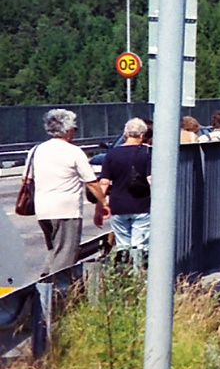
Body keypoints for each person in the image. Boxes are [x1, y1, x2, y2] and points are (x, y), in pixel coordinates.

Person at [31, 108, 105, 278]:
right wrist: (103, 203)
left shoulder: (36, 150)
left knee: (54, 250)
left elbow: (27, 180)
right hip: (66, 210)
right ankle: (58, 293)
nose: (74, 132)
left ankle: (45, 282)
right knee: (65, 254)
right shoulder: (73, 151)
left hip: (42, 209)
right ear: (66, 129)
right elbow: (91, 182)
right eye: (74, 128)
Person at [97, 117, 152, 256]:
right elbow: (151, 180)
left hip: (117, 206)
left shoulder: (111, 154)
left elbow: (104, 182)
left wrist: (100, 206)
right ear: (142, 135)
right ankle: (138, 274)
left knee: (122, 246)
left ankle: (124, 272)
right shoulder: (147, 153)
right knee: (139, 247)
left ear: (125, 134)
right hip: (142, 205)